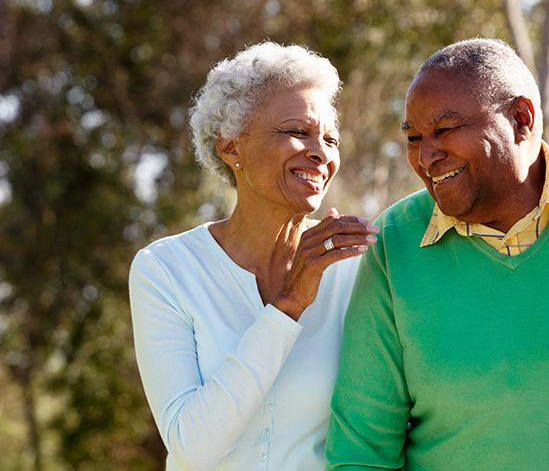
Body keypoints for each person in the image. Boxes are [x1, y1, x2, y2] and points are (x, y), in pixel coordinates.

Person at [325, 38, 549, 470]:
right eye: (414, 137)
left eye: (445, 130)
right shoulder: (394, 246)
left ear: (521, 119)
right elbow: (361, 455)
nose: (426, 155)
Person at [129, 41, 378, 471]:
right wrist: (289, 306)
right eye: (297, 131)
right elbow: (192, 448)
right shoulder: (164, 270)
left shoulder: (356, 270)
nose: (321, 152)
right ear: (231, 148)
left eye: (330, 138)